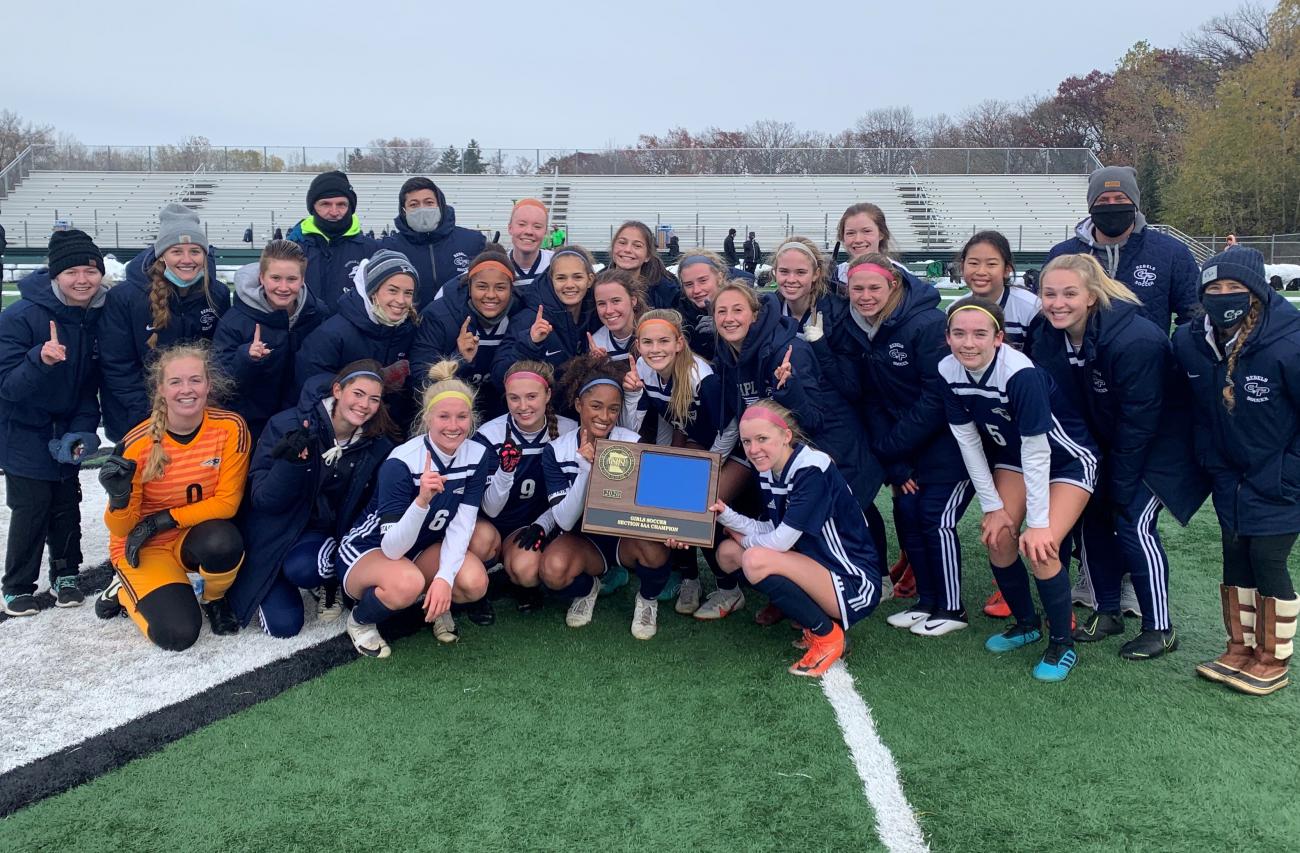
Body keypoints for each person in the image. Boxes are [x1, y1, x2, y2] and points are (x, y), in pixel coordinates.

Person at [1032, 253, 1207, 659]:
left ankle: (1159, 627)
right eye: (1049, 293)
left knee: (1132, 521)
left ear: (1091, 296)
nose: (1058, 303)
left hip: (1163, 444)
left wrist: (1120, 484)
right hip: (1107, 440)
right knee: (1088, 515)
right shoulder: (1047, 332)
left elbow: (1140, 421)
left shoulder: (1135, 339)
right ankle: (1106, 609)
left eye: (1069, 293)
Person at [941, 297, 1099, 681]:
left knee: (1040, 547)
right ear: (947, 338)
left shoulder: (1019, 373)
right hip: (1014, 458)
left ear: (999, 338)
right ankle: (1027, 623)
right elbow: (969, 444)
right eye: (959, 334)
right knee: (997, 536)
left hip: (1066, 461)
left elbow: (1038, 449)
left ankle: (1062, 643)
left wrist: (1040, 522)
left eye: (980, 334)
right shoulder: (947, 370)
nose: (968, 343)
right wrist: (993, 507)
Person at [1173, 246, 1300, 695]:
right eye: (1214, 288)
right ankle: (1239, 648)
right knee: (1233, 557)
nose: (1224, 295)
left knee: (1268, 561)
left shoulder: (1289, 340)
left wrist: (1289, 472)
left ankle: (1273, 659)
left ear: (1256, 292)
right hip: (1228, 476)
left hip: (1278, 477)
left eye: (1235, 288)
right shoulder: (1189, 341)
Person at [828, 253, 973, 636]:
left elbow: (936, 397)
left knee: (935, 519)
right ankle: (927, 600)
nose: (865, 296)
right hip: (904, 445)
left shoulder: (926, 323)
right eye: (857, 289)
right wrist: (896, 461)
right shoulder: (860, 327)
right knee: (908, 513)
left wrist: (894, 446)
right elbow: (872, 398)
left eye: (874, 287)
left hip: (947, 441)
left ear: (893, 285)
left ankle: (952, 608)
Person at [710, 400, 883, 676]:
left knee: (753, 558)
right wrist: (725, 514)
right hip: (817, 566)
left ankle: (827, 634)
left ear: (786, 436)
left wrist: (744, 539)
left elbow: (780, 542)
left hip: (851, 581)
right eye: (746, 441)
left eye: (762, 438)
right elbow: (771, 528)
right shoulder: (771, 469)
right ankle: (814, 619)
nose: (753, 449)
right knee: (728, 554)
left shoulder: (811, 469)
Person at [95, 344, 250, 650]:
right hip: (144, 545)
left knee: (223, 540)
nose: (186, 390)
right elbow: (122, 530)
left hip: (189, 535)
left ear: (208, 385)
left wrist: (162, 521)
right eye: (176, 382)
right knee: (178, 635)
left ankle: (214, 599)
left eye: (195, 380)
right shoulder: (137, 445)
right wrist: (119, 498)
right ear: (161, 389)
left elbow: (227, 503)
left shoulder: (231, 428)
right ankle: (123, 590)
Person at [337, 360, 496, 657]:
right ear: (427, 418)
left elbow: (463, 524)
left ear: (471, 419)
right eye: (443, 416)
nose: (453, 426)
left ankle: (434, 603)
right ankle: (360, 621)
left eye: (461, 417)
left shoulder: (478, 455)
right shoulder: (402, 461)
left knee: (474, 583)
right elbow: (393, 547)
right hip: (370, 549)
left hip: (420, 548)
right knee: (406, 582)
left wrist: (444, 579)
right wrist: (421, 501)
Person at [227, 361, 397, 637]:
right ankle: (272, 571)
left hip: (318, 534)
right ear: (338, 390)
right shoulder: (287, 424)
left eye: (374, 399)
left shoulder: (377, 444)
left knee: (308, 568)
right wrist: (291, 464)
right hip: (272, 532)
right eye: (358, 394)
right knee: (283, 627)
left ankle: (327, 580)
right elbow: (263, 501)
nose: (364, 405)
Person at [0, 230, 107, 615]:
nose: (82, 279)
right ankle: (17, 584)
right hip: (24, 432)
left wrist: (81, 429)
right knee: (31, 507)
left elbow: (87, 388)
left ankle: (66, 574)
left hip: (65, 431)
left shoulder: (94, 317)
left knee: (66, 504)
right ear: (55, 276)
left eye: (90, 271)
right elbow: (7, 387)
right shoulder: (19, 317)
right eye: (72, 271)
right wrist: (39, 360)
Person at [538, 353, 674, 637]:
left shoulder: (631, 442)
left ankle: (647, 600)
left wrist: (676, 528)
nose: (604, 417)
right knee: (552, 570)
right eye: (596, 406)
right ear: (578, 404)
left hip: (624, 538)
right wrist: (586, 468)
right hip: (584, 541)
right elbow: (563, 520)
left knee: (656, 547)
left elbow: (654, 501)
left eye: (613, 409)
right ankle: (589, 588)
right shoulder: (556, 450)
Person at [621, 309, 734, 616]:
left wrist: (709, 468)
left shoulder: (701, 377)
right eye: (647, 342)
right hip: (691, 438)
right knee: (666, 496)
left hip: (727, 447)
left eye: (663, 341)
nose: (655, 348)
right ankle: (690, 578)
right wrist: (632, 396)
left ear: (679, 343)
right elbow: (638, 425)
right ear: (638, 345)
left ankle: (729, 588)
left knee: (701, 502)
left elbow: (730, 427)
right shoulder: (643, 368)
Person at [100, 204, 228, 441]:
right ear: (162, 255)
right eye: (177, 251)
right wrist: (154, 414)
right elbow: (117, 365)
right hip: (139, 419)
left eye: (195, 251)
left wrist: (196, 408)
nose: (187, 260)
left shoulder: (217, 294)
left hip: (195, 415)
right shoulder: (125, 298)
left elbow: (219, 357)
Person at [473, 361, 577, 613]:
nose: (523, 406)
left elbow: (569, 497)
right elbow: (491, 509)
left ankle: (510, 578)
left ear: (548, 395)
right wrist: (505, 471)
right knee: (481, 541)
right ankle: (475, 589)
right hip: (489, 522)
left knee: (527, 572)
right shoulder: (490, 435)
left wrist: (542, 524)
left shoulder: (568, 431)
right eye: (514, 398)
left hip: (527, 524)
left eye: (531, 397)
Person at [1045, 165, 1200, 332]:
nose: (1112, 206)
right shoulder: (1063, 254)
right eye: (1103, 200)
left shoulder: (1171, 252)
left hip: (1144, 356)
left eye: (1120, 199)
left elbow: (1194, 315)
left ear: (1134, 204)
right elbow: (1045, 312)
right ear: (1091, 206)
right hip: (1078, 357)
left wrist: (1168, 351)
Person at [214, 240, 323, 442]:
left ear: (302, 279)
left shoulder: (318, 314)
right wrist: (246, 358)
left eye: (291, 279)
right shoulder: (235, 321)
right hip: (249, 428)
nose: (283, 287)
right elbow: (220, 383)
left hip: (301, 423)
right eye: (275, 278)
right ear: (262, 278)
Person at [295, 249, 418, 426]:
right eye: (392, 290)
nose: (401, 300)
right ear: (372, 291)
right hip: (338, 429)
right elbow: (308, 389)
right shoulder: (331, 334)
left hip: (388, 431)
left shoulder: (409, 330)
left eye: (408, 293)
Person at [410, 246, 520, 423]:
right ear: (469, 286)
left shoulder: (522, 314)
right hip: (453, 418)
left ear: (511, 289)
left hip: (503, 416)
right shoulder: (440, 316)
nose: (491, 295)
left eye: (500, 287)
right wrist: (459, 359)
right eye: (482, 286)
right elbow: (420, 381)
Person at [494, 246, 602, 390]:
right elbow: (499, 376)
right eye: (561, 278)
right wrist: (529, 344)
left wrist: (598, 364)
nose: (569, 285)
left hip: (577, 409)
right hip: (541, 410)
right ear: (551, 280)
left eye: (577, 277)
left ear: (589, 280)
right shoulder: (530, 318)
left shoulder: (597, 315)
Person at [381, 177, 487, 307]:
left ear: (440, 205)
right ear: (404, 210)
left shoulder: (472, 241)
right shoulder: (389, 248)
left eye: (429, 203)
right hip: (408, 325)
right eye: (414, 204)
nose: (422, 209)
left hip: (460, 325)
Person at [288, 170, 378, 315]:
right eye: (325, 204)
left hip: (352, 335)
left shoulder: (371, 250)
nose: (334, 212)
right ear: (313, 207)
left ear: (351, 207)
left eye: (341, 204)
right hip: (301, 334)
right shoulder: (293, 248)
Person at [957, 230, 1041, 352]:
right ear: (962, 266)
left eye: (991, 264)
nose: (981, 271)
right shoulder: (954, 310)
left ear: (1007, 269)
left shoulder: (1032, 309)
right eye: (973, 263)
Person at [673, 250, 732, 362]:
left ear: (719, 278)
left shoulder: (742, 306)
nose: (696, 290)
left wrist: (723, 331)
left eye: (703, 280)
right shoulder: (679, 316)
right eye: (689, 284)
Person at [608, 221, 679, 309]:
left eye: (637, 246)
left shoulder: (666, 290)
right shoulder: (596, 285)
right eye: (622, 243)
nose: (627, 249)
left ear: (648, 255)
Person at [590, 268, 646, 365]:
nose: (609, 311)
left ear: (633, 301)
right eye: (601, 303)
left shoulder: (653, 332)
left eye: (616, 301)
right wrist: (597, 366)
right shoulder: (596, 343)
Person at [504, 199, 553, 289]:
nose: (529, 231)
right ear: (510, 228)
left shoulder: (555, 263)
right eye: (522, 224)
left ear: (545, 231)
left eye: (537, 226)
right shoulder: (498, 265)